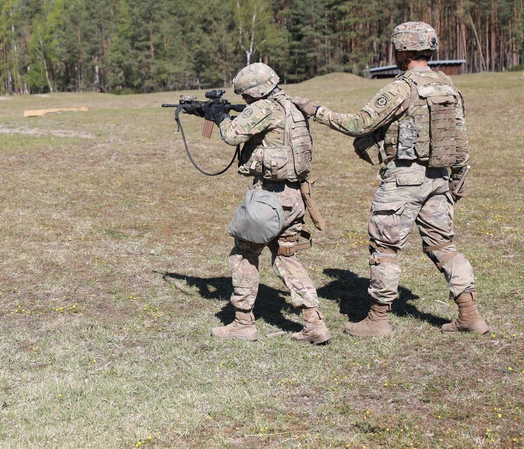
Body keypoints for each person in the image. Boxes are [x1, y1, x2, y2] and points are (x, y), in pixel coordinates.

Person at [291, 21, 489, 337]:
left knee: (384, 248)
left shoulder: (402, 87)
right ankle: (470, 315)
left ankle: (377, 321)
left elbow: (358, 123)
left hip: (403, 180)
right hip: (438, 178)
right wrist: (456, 186)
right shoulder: (447, 86)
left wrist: (314, 109)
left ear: (404, 49)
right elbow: (461, 144)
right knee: (445, 246)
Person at [204, 62, 330, 344]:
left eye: (246, 96)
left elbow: (232, 135)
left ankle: (242, 323)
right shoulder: (291, 105)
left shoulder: (263, 108)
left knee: (243, 254)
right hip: (295, 196)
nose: (245, 101)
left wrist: (220, 118)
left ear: (256, 92)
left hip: (268, 198)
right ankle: (314, 323)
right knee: (286, 255)